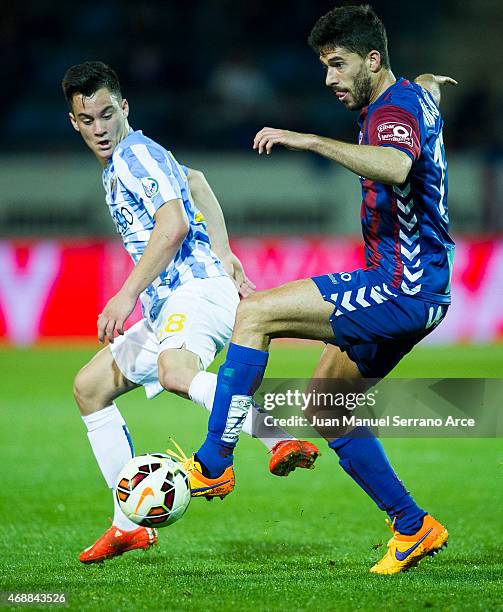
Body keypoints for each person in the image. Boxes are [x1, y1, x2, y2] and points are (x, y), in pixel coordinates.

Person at [181, 5, 457, 575]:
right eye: (325, 66)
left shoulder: (393, 110)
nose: (329, 78)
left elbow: (396, 166)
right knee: (328, 407)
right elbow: (418, 98)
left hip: (402, 286)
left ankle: (213, 462)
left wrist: (308, 141)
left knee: (253, 314)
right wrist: (428, 83)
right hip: (420, 287)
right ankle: (413, 526)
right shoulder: (409, 95)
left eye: (338, 65)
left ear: (373, 60)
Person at [61, 61, 319, 564]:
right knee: (90, 389)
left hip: (193, 292)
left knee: (175, 371)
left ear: (124, 108)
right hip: (180, 297)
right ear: (75, 122)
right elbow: (196, 181)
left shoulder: (135, 155)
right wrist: (225, 252)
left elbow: (174, 223)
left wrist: (126, 293)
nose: (100, 129)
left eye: (107, 114)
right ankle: (128, 523)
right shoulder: (132, 162)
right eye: (87, 120)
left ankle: (274, 436)